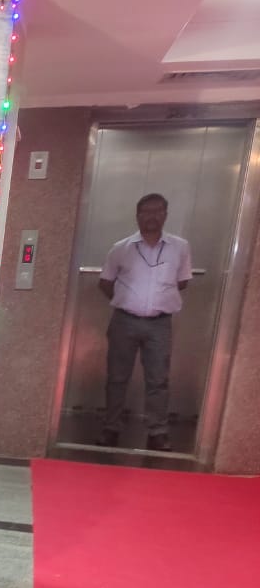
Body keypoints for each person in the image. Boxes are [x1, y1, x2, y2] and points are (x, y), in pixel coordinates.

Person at [98, 192, 192, 452]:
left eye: (158, 211)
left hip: (159, 324)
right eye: (146, 211)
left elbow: (182, 281)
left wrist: (155, 300)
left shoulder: (180, 247)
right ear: (138, 216)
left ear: (165, 215)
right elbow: (105, 282)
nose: (152, 216)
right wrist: (128, 300)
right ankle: (111, 427)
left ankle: (157, 432)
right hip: (124, 321)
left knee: (158, 380)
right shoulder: (121, 248)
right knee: (117, 377)